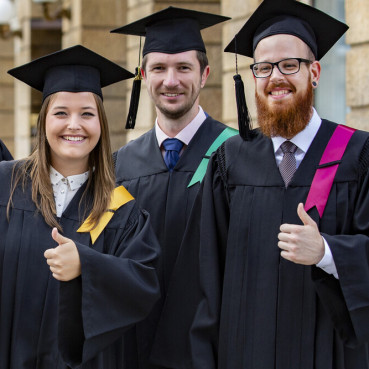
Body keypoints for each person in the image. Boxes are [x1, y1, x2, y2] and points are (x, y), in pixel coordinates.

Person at [149, 1, 369, 368]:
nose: (275, 77)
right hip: (243, 354)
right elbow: (205, 278)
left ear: (314, 72)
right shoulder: (229, 161)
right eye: (263, 68)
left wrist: (328, 252)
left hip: (329, 355)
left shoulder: (356, 155)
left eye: (290, 65)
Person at [1, 45, 161, 369]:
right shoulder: (6, 184)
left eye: (86, 114)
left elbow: (143, 284)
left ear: (100, 124)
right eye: (61, 113)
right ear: (43, 120)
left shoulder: (120, 208)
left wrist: (87, 267)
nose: (74, 124)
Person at [110, 7, 234, 369]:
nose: (171, 80)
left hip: (210, 347)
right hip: (133, 346)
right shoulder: (120, 166)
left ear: (205, 74)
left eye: (183, 68)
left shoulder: (237, 155)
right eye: (159, 69)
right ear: (144, 75)